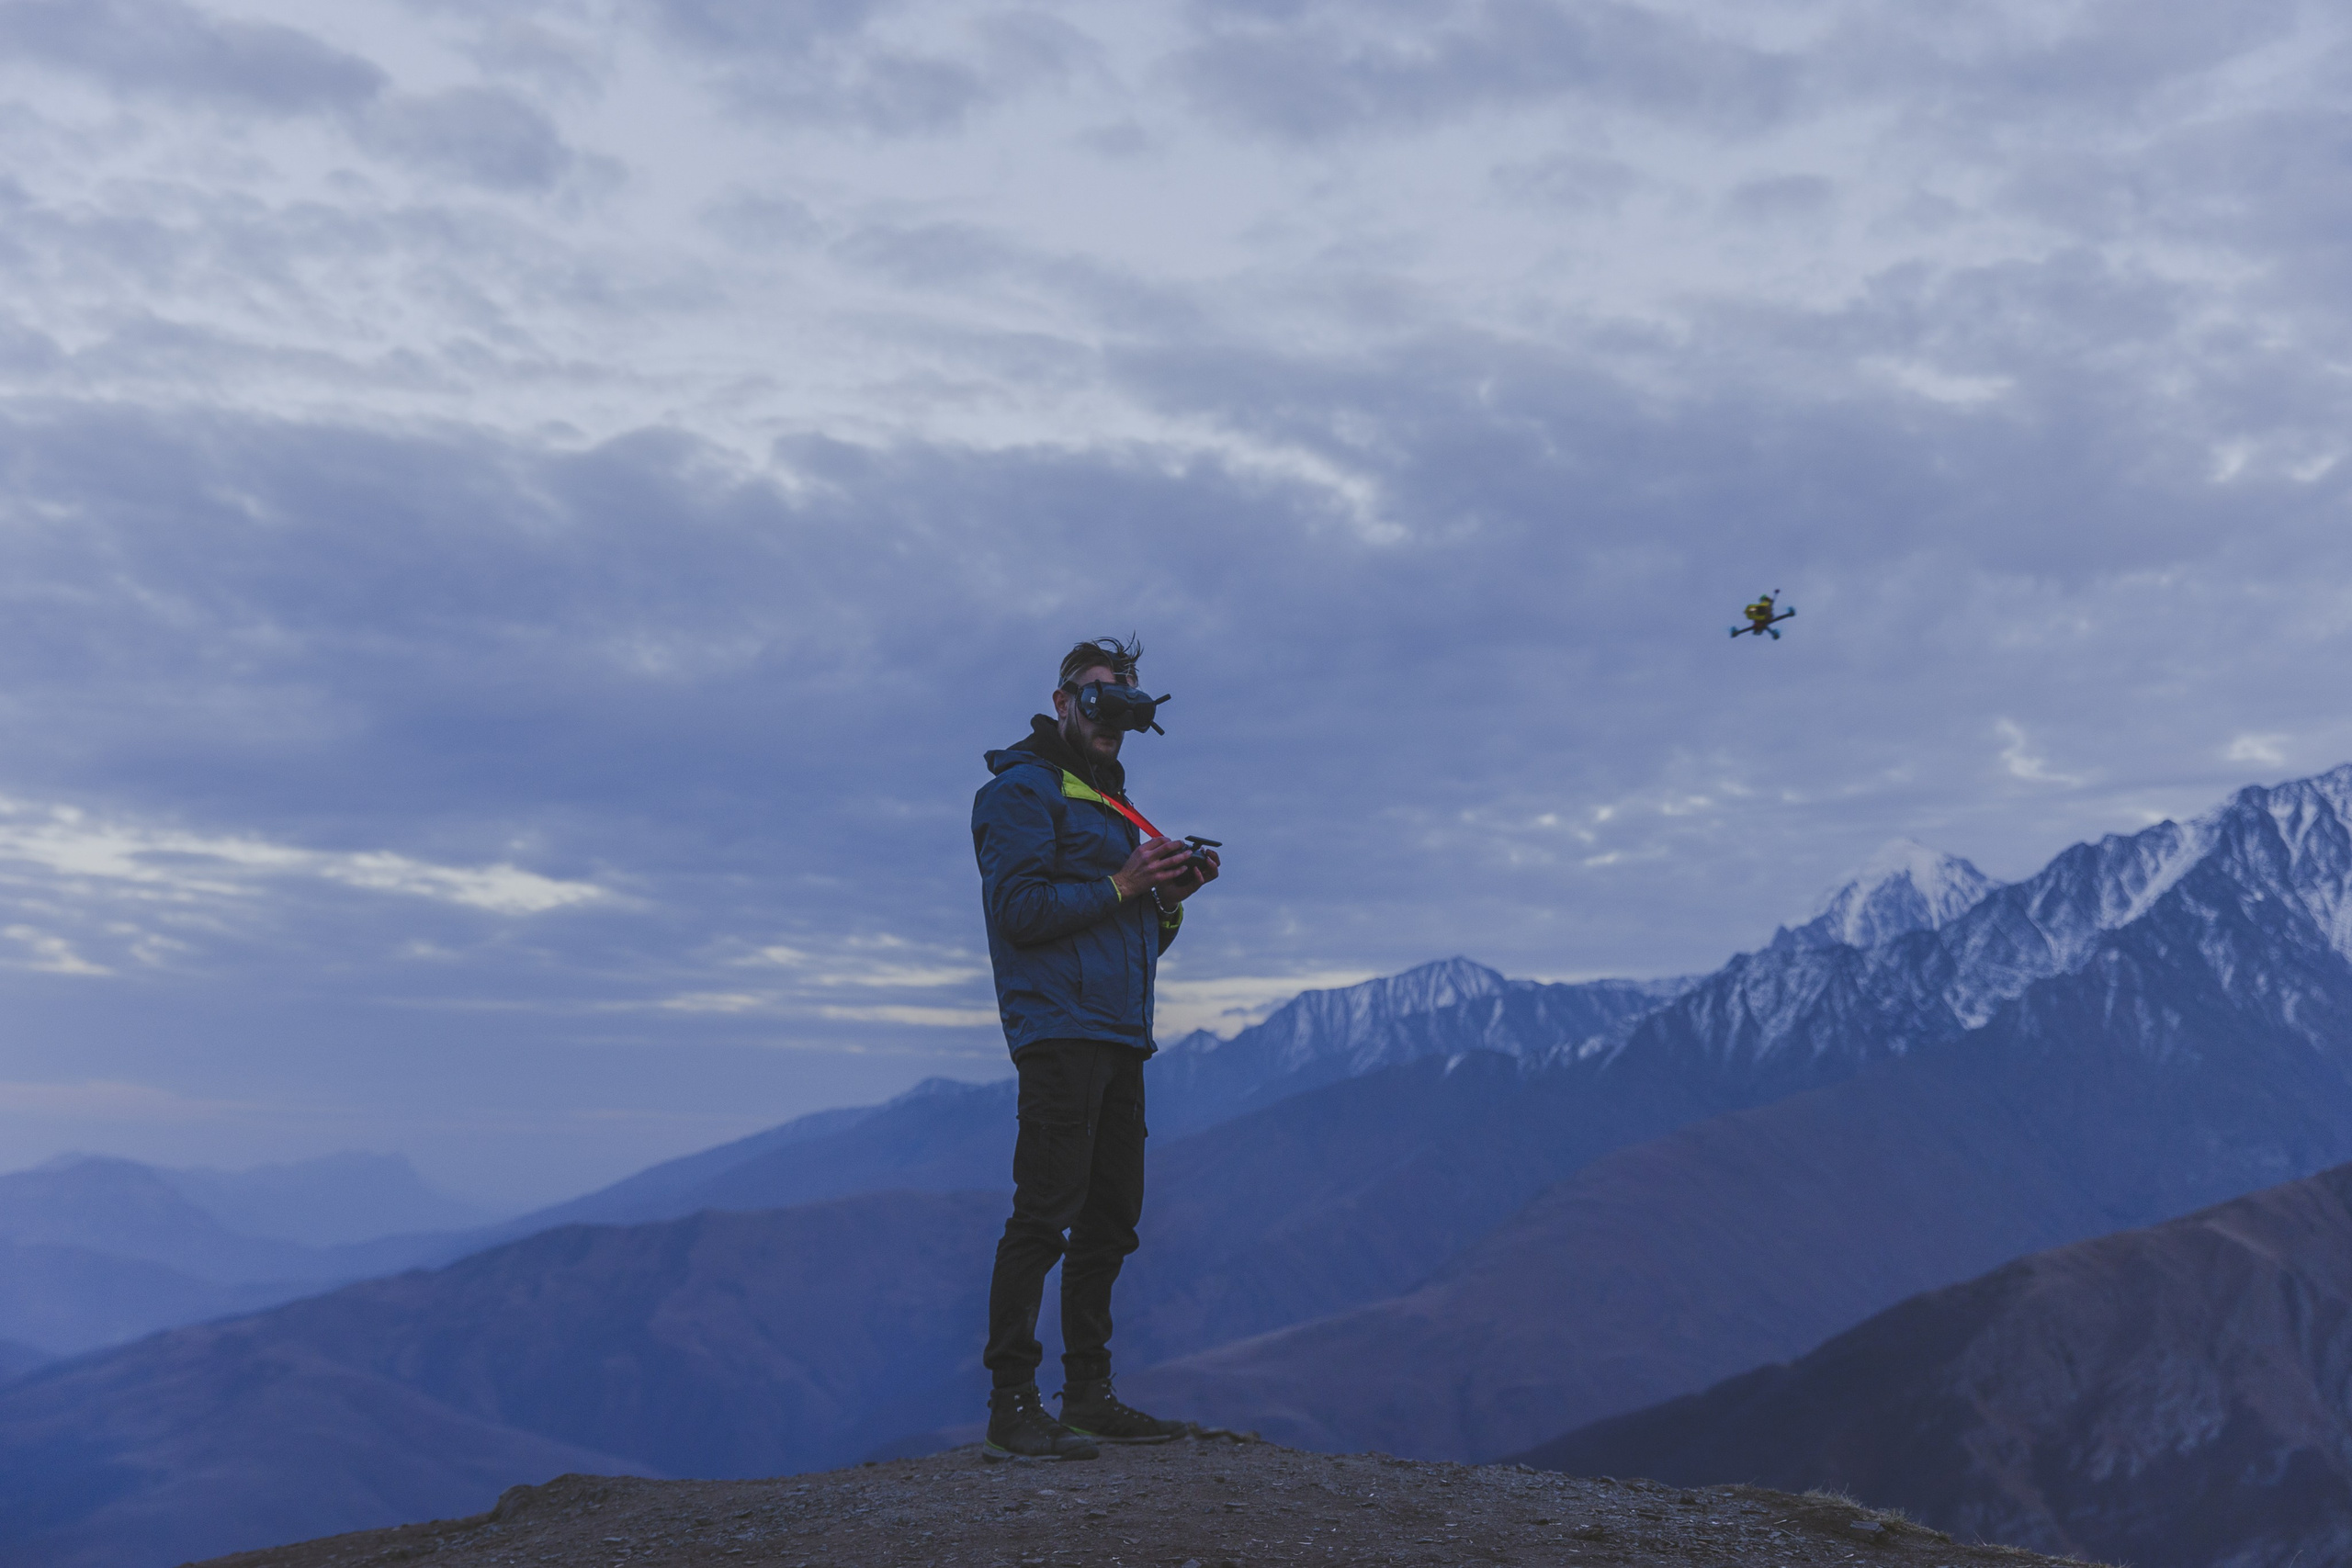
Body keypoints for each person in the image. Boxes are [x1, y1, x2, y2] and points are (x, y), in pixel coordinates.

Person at [969, 635, 1220, 1461]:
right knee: (1043, 1216)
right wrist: (1124, 882)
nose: (1111, 713)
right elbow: (1020, 913)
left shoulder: (1110, 802)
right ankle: (1014, 1402)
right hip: (1058, 1032)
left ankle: (1089, 1395)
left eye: (1124, 700)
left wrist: (1168, 896)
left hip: (1119, 1032)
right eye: (1096, 696)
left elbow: (1127, 932)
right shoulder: (1020, 791)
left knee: (1111, 1219)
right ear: (1061, 701)